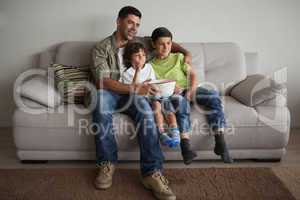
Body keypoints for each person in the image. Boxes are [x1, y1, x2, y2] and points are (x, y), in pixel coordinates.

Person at [91, 6, 192, 200]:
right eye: (130, 22)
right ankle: (107, 164)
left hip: (136, 96)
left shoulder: (141, 42)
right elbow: (103, 81)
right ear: (118, 21)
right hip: (112, 93)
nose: (134, 28)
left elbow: (169, 43)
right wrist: (136, 88)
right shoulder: (100, 48)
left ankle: (152, 172)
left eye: (137, 24)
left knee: (147, 111)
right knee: (100, 100)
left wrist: (186, 53)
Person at [150, 27, 233, 163]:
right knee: (181, 105)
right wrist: (171, 87)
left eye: (169, 43)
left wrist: (192, 89)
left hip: (190, 88)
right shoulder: (151, 65)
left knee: (212, 95)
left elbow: (192, 74)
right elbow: (154, 85)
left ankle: (220, 140)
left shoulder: (179, 57)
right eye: (161, 44)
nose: (166, 47)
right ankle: (186, 147)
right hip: (173, 94)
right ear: (153, 44)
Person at [121, 42, 180, 148]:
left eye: (143, 55)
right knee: (157, 107)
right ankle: (161, 133)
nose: (142, 58)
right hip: (144, 99)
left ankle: (175, 133)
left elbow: (153, 82)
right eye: (137, 56)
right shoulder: (127, 73)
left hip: (155, 95)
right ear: (130, 58)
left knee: (168, 108)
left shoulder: (149, 67)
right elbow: (134, 88)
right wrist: (138, 71)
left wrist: (158, 89)